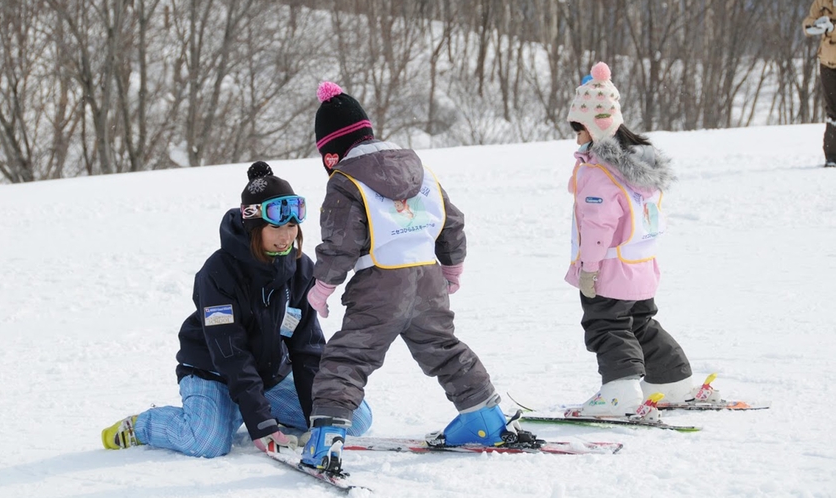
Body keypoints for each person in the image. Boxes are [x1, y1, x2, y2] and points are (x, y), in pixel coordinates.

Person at [299, 82, 514, 472]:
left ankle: (326, 440)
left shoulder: (344, 181)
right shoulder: (420, 168)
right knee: (443, 348)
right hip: (428, 277)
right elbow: (452, 221)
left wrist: (323, 287)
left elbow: (341, 242)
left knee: (349, 357)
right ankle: (485, 419)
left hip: (379, 284)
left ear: (331, 151)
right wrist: (452, 268)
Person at [101, 161, 372, 458]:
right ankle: (144, 426)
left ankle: (259, 411)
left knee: (352, 419)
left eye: (292, 226)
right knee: (206, 443)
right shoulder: (218, 273)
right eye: (276, 227)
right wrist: (261, 423)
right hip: (214, 372)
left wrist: (317, 417)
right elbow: (232, 355)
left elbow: (306, 348)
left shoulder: (301, 270)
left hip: (269, 375)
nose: (286, 236)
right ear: (255, 226)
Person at [564, 62, 718, 419]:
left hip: (610, 269)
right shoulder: (637, 164)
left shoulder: (599, 172)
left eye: (579, 129)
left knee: (606, 325)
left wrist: (589, 270)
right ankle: (671, 381)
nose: (576, 138)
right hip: (641, 266)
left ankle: (619, 394)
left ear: (593, 127)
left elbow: (598, 226)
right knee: (640, 322)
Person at [804, 2, 836, 168]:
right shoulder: (821, 3)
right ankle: (831, 156)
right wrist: (814, 25)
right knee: (832, 111)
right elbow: (808, 22)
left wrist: (832, 29)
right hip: (827, 63)